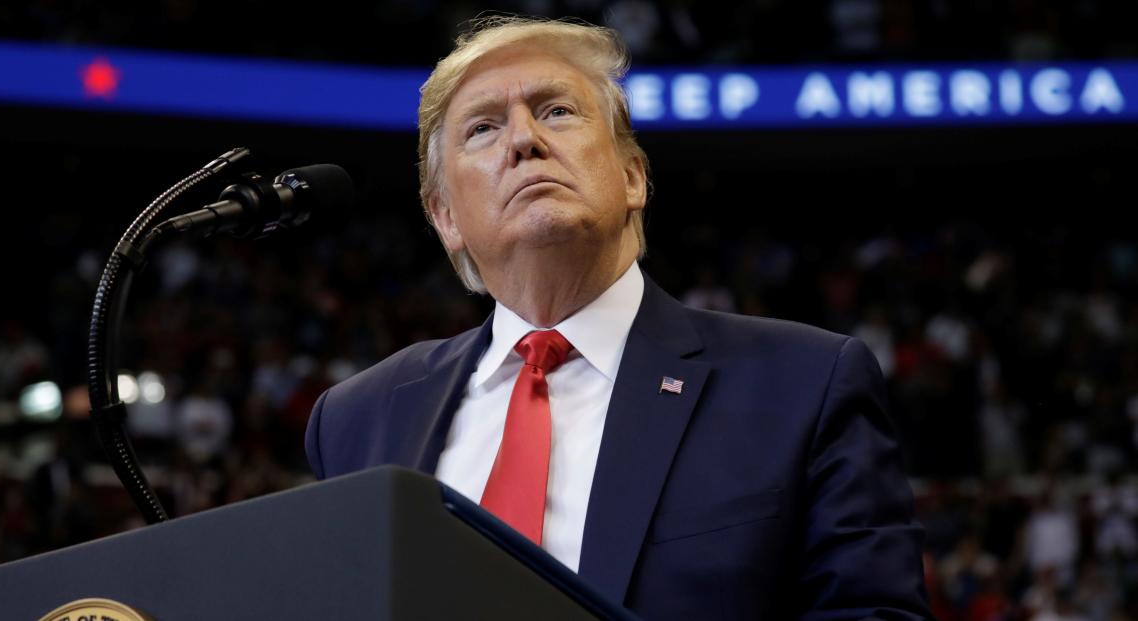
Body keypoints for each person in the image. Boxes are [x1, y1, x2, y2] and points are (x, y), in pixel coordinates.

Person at [305, 16, 930, 620]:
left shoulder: (804, 382)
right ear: (445, 219)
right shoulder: (357, 417)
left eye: (556, 111)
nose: (524, 140)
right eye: (483, 129)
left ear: (633, 177)